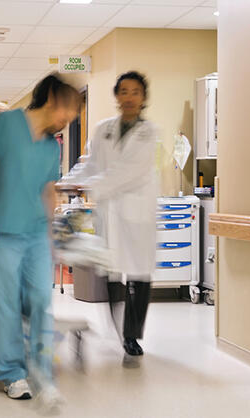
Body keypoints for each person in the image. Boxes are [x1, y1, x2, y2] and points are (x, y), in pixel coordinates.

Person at [0, 74, 80, 404]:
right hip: (1, 232)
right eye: (68, 111)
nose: (68, 119)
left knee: (43, 303)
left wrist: (51, 236)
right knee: (7, 307)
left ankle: (44, 373)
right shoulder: (7, 123)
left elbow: (48, 189)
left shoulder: (50, 145)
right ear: (52, 100)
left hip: (35, 235)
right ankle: (12, 374)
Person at [58, 71, 157, 362]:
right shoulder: (103, 129)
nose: (129, 97)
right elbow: (89, 164)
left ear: (143, 98)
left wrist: (90, 186)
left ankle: (132, 335)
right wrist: (65, 184)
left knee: (138, 273)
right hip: (111, 212)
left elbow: (130, 171)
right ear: (116, 96)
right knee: (111, 270)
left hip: (137, 211)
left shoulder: (150, 133)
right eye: (124, 91)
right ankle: (120, 329)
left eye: (135, 92)